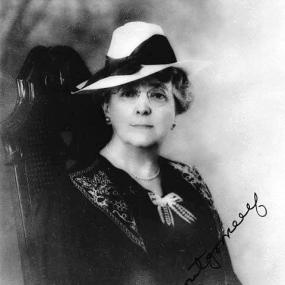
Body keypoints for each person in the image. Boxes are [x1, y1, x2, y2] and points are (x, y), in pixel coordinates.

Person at [43, 21, 241, 285]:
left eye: (158, 95)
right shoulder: (74, 194)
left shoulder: (191, 180)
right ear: (106, 107)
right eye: (128, 94)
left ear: (176, 107)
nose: (143, 108)